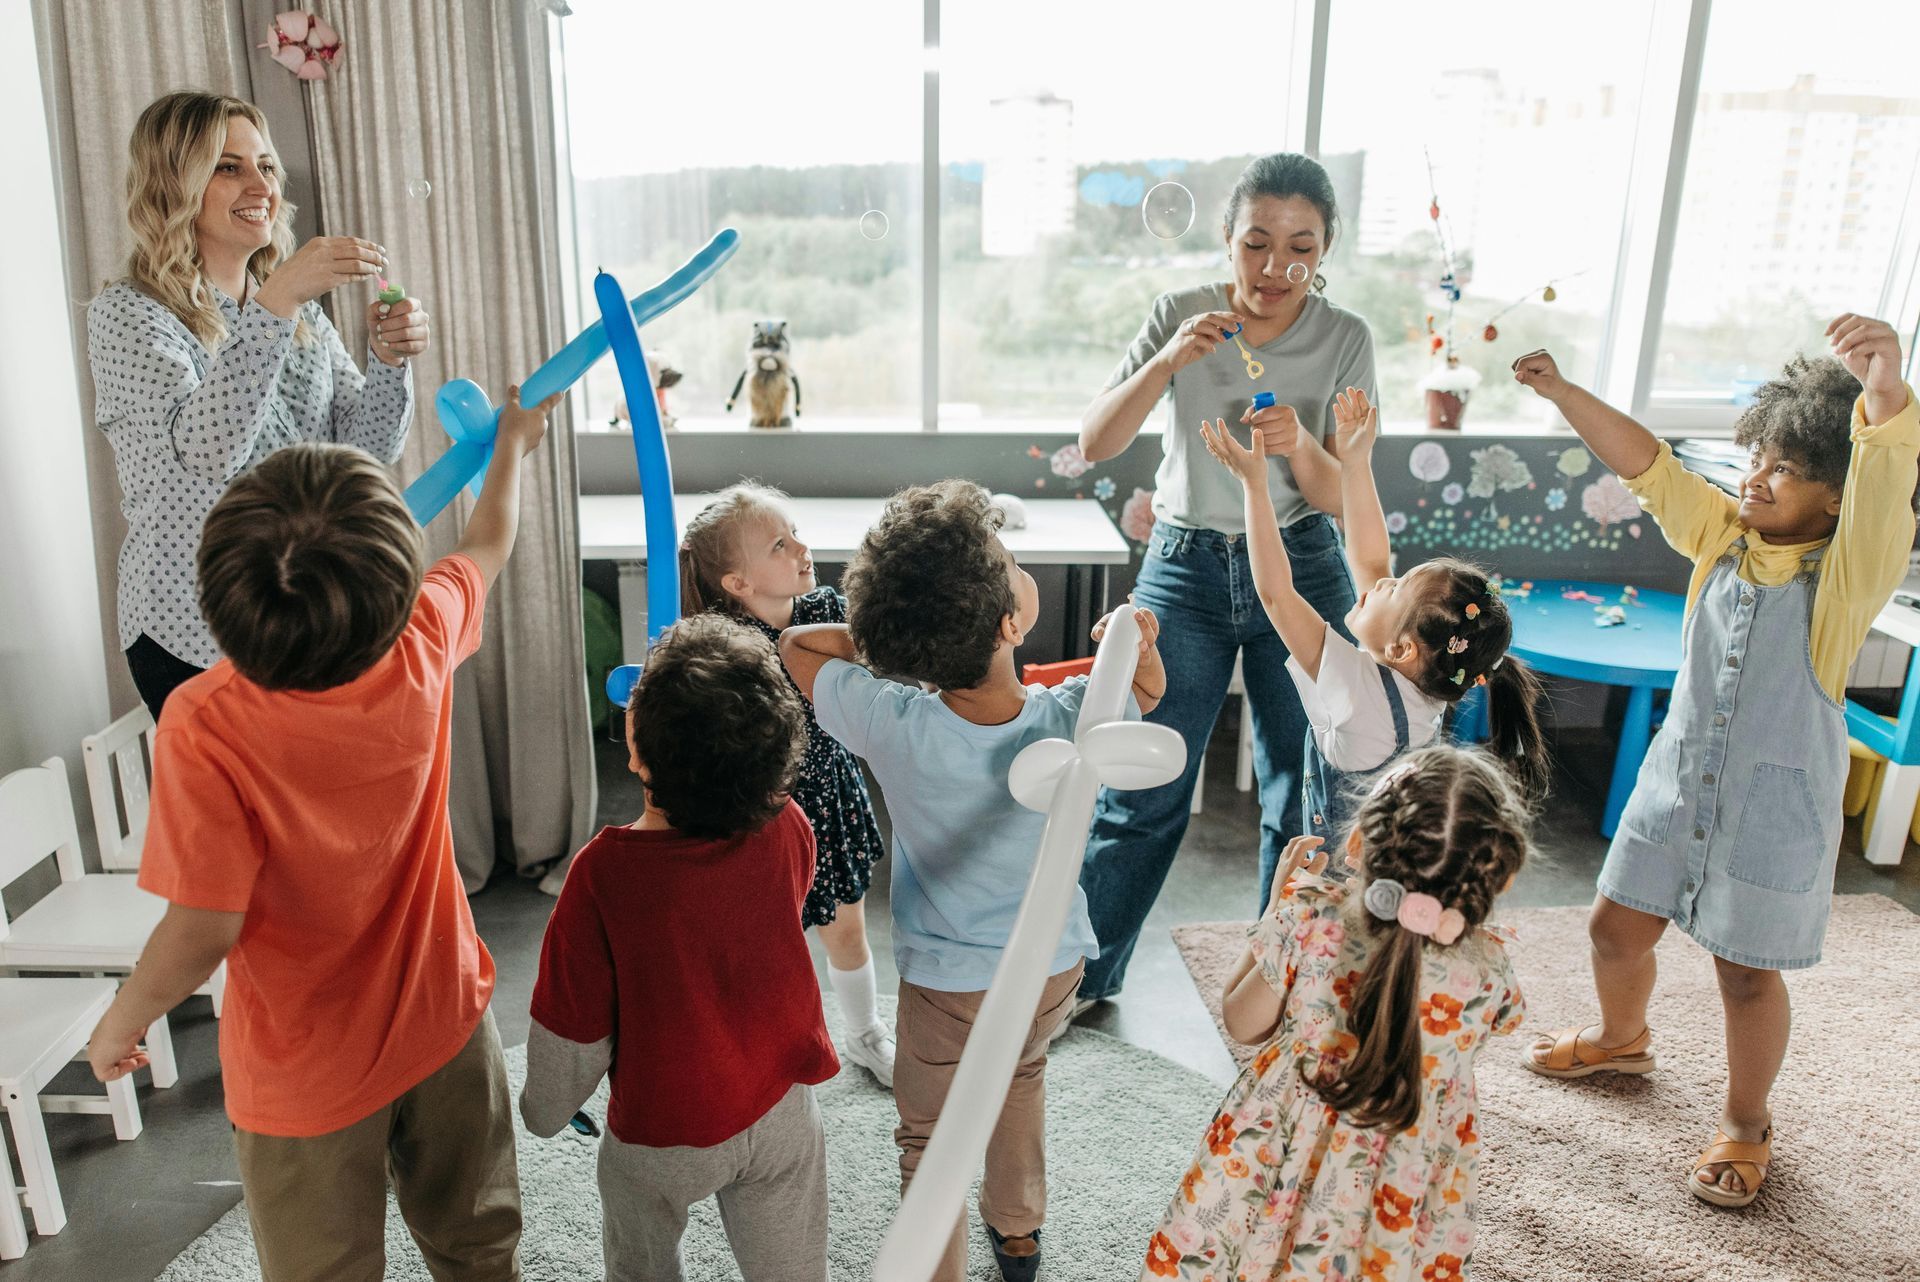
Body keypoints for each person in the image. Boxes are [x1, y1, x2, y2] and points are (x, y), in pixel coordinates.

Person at [86, 385, 561, 1282]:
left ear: (221, 596)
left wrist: (124, 1017)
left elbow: (202, 925)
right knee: (478, 1243)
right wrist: (513, 449)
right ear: (394, 580)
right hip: (446, 1022)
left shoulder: (203, 720)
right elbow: (485, 542)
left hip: (305, 1073)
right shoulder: (423, 635)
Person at [1511, 315, 1917, 1207]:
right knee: (1614, 931)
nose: (1755, 479)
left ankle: (1745, 1123)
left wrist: (1883, 390)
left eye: (1782, 468)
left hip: (1774, 814)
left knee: (1744, 975)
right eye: (1753, 458)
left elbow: (1886, 483)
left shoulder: (1844, 583)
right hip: (1675, 783)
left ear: (1835, 497)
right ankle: (1622, 1039)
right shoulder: (1722, 539)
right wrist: (1561, 391)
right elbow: (1649, 466)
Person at [779, 480, 1165, 1282]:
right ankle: (1018, 1232)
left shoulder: (891, 720)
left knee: (931, 1139)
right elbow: (1148, 693)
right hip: (1052, 965)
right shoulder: (1071, 718)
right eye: (1010, 562)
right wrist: (1139, 643)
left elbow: (795, 648)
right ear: (1011, 622)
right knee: (1021, 1073)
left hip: (947, 981)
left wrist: (892, 645)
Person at [1075, 151, 1378, 1012]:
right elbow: (1096, 439)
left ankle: (1275, 980)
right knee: (1144, 783)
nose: (1275, 267)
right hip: (1184, 567)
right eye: (1256, 243)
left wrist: (1298, 447)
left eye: (1300, 248)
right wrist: (1167, 360)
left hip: (1305, 565)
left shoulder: (1344, 337)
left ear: (1324, 254)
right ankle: (1086, 982)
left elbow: (1345, 493)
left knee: (1306, 792)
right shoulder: (1180, 314)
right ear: (1227, 240)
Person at [88, 90, 432, 717]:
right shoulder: (129, 315)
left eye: (267, 166)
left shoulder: (297, 314)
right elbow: (209, 453)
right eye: (229, 167)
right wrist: (275, 304)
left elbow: (363, 457)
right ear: (175, 183)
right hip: (191, 631)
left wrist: (388, 362)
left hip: (302, 613)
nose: (261, 185)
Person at [521, 613, 839, 1282]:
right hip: (780, 1102)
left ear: (637, 754)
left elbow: (573, 1030)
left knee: (641, 1261)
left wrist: (544, 1112)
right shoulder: (788, 823)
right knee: (794, 1266)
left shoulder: (604, 875)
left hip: (662, 1130)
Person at [1142, 745, 1530, 1281]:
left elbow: (1243, 1022)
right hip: (1407, 1168)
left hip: (1280, 1146)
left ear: (1355, 844)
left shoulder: (1312, 919)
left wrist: (1277, 908)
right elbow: (1496, 1024)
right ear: (1502, 878)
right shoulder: (1491, 972)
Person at [1200, 386, 1549, 904]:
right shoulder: (1419, 680)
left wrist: (1255, 487)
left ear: (1404, 648)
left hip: (1338, 890)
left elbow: (1276, 595)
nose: (1383, 581)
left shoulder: (1359, 691)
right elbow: (1371, 559)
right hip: (1383, 876)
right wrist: (1356, 461)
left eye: (1397, 587)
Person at [678, 484, 895, 1085]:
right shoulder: (721, 649)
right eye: (779, 543)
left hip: (828, 798)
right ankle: (757, 1040)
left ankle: (865, 1033)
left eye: (795, 531)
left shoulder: (823, 611)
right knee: (764, 943)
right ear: (738, 584)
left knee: (847, 929)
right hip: (760, 817)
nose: (801, 547)